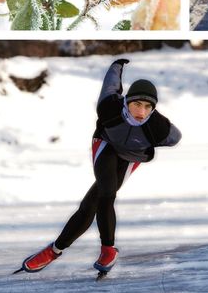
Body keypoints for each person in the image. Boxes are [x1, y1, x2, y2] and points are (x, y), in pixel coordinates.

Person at [17, 58, 182, 275]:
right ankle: (108, 250)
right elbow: (111, 82)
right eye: (136, 104)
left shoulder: (159, 128)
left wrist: (148, 144)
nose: (141, 111)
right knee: (106, 194)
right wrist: (117, 65)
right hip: (105, 145)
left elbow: (175, 138)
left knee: (90, 205)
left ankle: (54, 250)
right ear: (126, 102)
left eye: (147, 106)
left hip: (131, 157)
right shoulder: (109, 106)